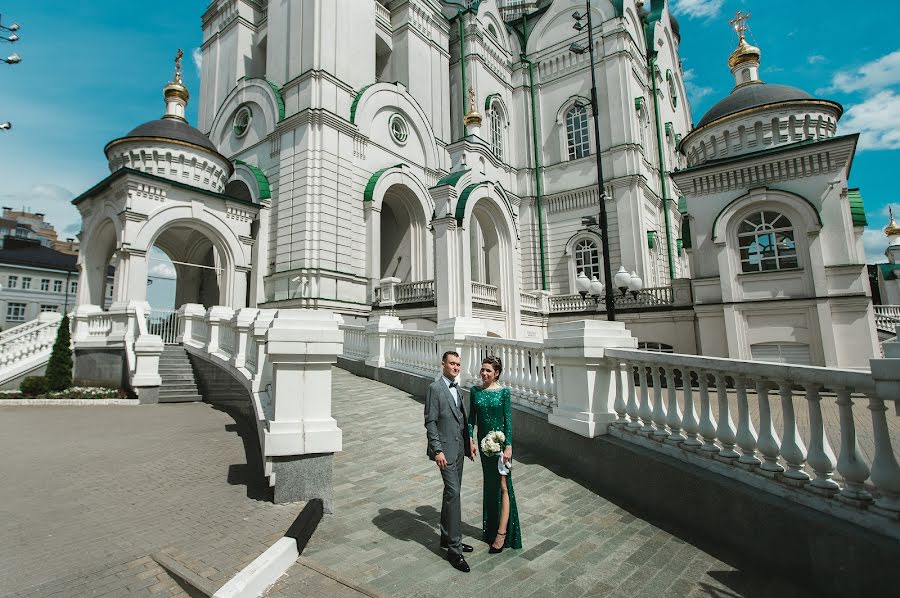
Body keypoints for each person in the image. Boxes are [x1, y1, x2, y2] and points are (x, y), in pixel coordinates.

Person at [424, 350, 477, 573]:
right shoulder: (435, 389)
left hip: (459, 450)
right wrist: (437, 450)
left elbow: (462, 419)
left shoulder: (458, 388)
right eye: (452, 364)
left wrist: (470, 441)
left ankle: (446, 538)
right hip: (444, 451)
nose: (456, 367)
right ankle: (455, 550)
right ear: (443, 364)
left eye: (458, 364)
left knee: (451, 494)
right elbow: (430, 422)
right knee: (454, 494)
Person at [469, 356, 522, 553]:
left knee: (504, 486)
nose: (483, 373)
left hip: (500, 447)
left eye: (488, 371)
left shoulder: (504, 393)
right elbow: (470, 419)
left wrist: (508, 446)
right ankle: (491, 529)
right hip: (484, 448)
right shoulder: (475, 392)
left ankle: (501, 534)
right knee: (490, 486)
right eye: (482, 370)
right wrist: (470, 440)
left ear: (496, 373)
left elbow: (508, 421)